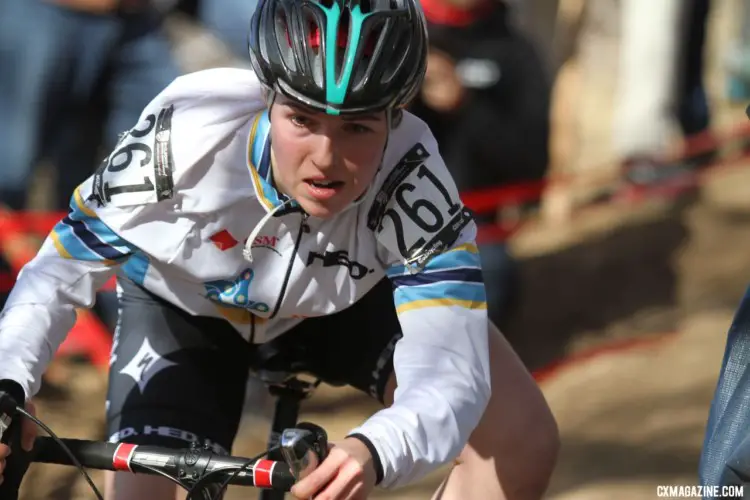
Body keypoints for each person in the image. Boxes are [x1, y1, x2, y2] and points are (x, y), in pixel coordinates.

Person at [0, 1, 559, 499]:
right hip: (187, 310)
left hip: (349, 302)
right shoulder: (187, 134)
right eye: (302, 119)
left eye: (358, 129)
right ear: (266, 96)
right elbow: (57, 272)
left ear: (396, 117)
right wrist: (8, 386)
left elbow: (451, 372)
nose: (325, 155)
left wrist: (375, 448)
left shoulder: (415, 180)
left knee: (522, 438)